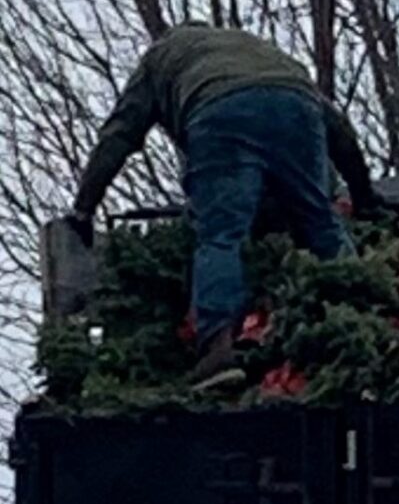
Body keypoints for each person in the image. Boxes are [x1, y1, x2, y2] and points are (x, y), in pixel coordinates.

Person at [67, 22, 382, 389]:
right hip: (297, 103)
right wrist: (365, 199)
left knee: (221, 234)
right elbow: (341, 134)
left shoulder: (159, 60)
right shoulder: (261, 52)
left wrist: (84, 207)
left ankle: (217, 351)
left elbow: (119, 134)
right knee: (321, 223)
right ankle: (363, 328)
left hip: (219, 111)